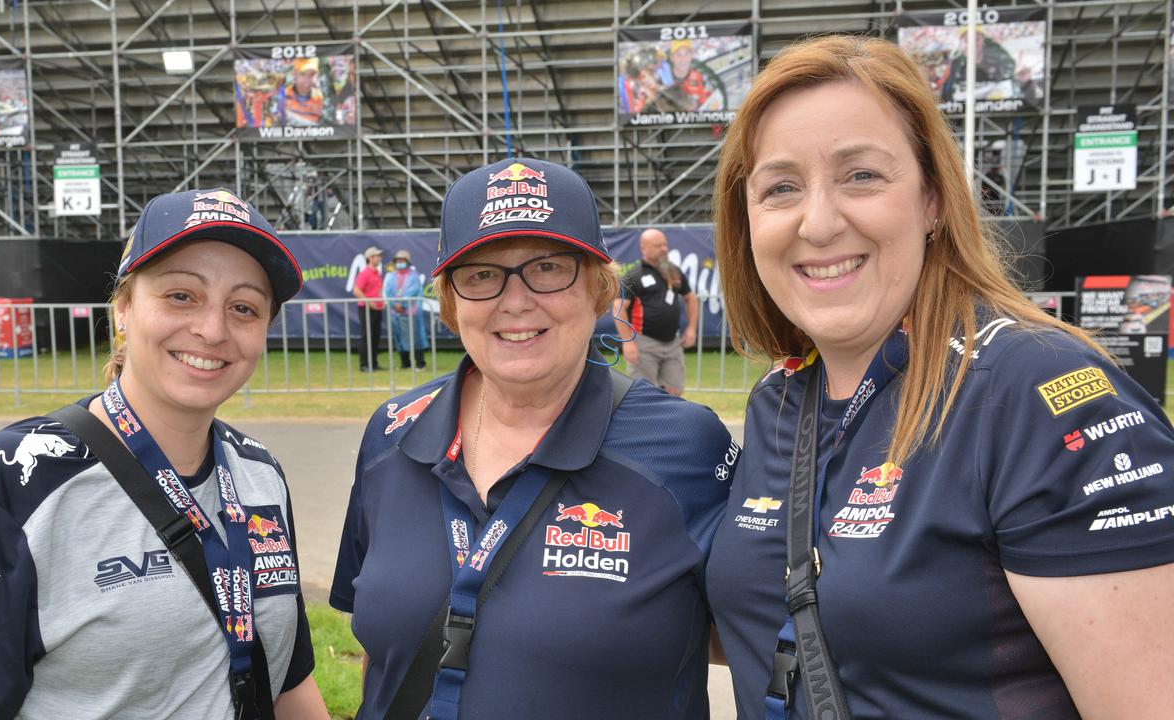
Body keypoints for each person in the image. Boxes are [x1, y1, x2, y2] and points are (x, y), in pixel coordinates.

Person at [706, 35, 1174, 719]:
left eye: (860, 175)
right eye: (780, 188)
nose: (818, 221)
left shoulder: (1039, 392)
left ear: (932, 200)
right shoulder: (780, 399)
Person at [0, 189, 329, 719]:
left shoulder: (259, 474)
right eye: (181, 296)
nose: (212, 330)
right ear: (123, 307)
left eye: (243, 308)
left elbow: (287, 682)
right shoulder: (8, 481)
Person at [330, 157, 737, 719]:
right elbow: (382, 643)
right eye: (480, 274)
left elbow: (758, 637)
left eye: (547, 268)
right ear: (450, 301)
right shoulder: (393, 432)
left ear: (597, 286)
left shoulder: (687, 446)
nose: (515, 301)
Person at [614, 228, 698, 395]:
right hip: (644, 342)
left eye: (665, 244)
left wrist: (691, 329)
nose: (664, 249)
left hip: (672, 341)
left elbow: (691, 298)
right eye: (658, 245)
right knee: (644, 392)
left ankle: (668, 421)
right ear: (644, 248)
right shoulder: (634, 275)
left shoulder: (673, 271)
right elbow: (618, 307)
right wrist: (627, 341)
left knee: (675, 389)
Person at [383, 249, 429, 370]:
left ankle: (420, 363)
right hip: (396, 314)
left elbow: (413, 292)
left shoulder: (413, 276)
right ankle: (405, 364)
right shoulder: (391, 276)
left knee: (415, 337)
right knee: (399, 337)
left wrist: (402, 304)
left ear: (407, 262)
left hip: (411, 312)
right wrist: (395, 305)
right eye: (398, 260)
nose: (400, 262)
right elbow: (388, 292)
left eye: (402, 260)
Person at [353, 246, 385, 372]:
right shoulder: (365, 273)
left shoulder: (377, 273)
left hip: (376, 308)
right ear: (370, 258)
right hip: (367, 309)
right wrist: (369, 302)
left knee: (375, 336)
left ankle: (373, 363)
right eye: (377, 256)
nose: (379, 258)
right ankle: (364, 364)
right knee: (367, 336)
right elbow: (356, 290)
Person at [284, 58, 326, 126]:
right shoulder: (283, 95)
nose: (307, 79)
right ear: (294, 74)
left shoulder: (322, 98)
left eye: (312, 74)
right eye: (303, 73)